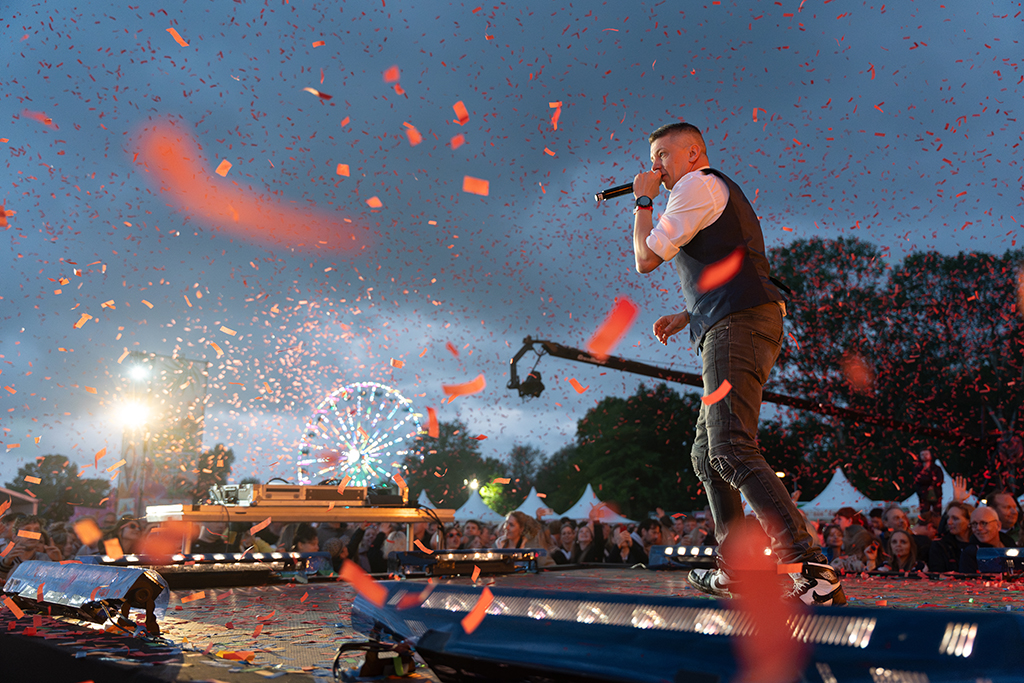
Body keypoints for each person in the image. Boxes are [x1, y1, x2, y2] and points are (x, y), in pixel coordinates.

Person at [630, 121, 844, 605]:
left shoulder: (695, 185)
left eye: (664, 154)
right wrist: (690, 312)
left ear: (693, 153)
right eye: (653, 157)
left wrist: (642, 202)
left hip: (738, 325)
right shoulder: (703, 191)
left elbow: (645, 259)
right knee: (707, 454)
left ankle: (810, 569)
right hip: (730, 320)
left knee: (728, 446)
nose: (655, 166)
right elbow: (734, 261)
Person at [0, 515, 55, 582]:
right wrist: (5, 565)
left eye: (36, 530)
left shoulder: (45, 560)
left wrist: (57, 561)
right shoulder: (4, 559)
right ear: (15, 536)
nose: (32, 534)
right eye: (27, 530)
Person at [928, 501, 974, 572]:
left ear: (969, 521)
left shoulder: (979, 545)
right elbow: (936, 573)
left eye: (955, 518)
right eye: (948, 518)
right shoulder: (940, 546)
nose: (949, 522)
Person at [959, 506, 1006, 574]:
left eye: (984, 523)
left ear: (998, 525)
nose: (979, 528)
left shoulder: (1010, 543)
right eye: (974, 524)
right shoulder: (970, 553)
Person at [913, 449, 944, 516]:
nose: (924, 456)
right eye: (922, 455)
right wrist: (931, 479)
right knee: (924, 514)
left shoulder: (936, 468)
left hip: (936, 494)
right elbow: (918, 480)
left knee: (937, 514)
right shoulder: (917, 469)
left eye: (926, 454)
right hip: (923, 495)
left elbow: (940, 479)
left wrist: (926, 479)